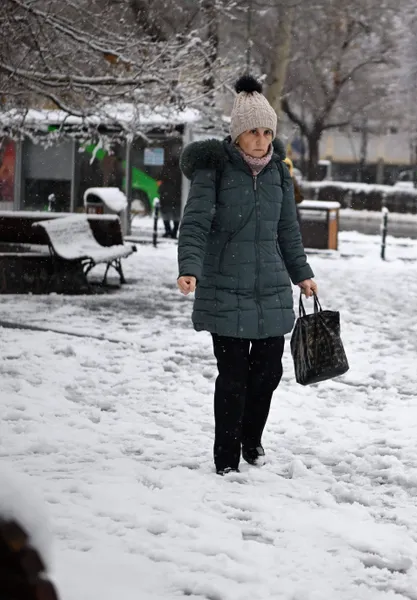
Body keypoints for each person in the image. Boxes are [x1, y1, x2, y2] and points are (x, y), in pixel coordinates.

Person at [176, 74, 317, 475]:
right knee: (234, 377)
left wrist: (302, 274)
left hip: (270, 287)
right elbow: (195, 224)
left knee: (269, 373)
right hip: (224, 286)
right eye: (253, 131)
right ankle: (226, 457)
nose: (261, 139)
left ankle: (250, 438)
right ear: (237, 134)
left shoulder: (278, 173)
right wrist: (190, 269)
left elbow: (287, 230)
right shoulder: (214, 171)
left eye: (267, 131)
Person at [159, 151, 182, 238]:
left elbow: (159, 177)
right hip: (177, 196)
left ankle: (168, 230)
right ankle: (174, 231)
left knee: (165, 213)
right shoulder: (180, 170)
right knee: (176, 215)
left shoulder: (165, 169)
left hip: (165, 195)